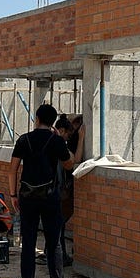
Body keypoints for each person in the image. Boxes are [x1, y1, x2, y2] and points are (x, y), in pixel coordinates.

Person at [9, 104, 74, 278]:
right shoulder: (56, 141)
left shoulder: (24, 139)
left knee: (28, 242)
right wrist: (60, 141)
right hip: (50, 196)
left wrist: (13, 195)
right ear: (53, 121)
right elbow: (69, 163)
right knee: (53, 242)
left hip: (27, 196)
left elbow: (12, 169)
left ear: (36, 119)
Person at [36, 114, 86, 267]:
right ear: (62, 130)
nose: (68, 138)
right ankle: (58, 258)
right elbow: (74, 160)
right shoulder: (57, 144)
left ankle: (53, 254)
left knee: (54, 226)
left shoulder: (39, 140)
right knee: (58, 226)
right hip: (54, 191)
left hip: (41, 191)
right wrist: (82, 137)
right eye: (68, 134)